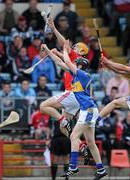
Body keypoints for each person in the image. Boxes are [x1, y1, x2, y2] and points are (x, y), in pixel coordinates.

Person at [42, 42, 107, 179]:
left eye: (75, 63)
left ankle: (73, 166)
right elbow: (60, 62)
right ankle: (101, 170)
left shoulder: (83, 74)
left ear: (79, 65)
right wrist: (48, 51)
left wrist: (65, 49)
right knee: (91, 142)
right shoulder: (77, 74)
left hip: (88, 110)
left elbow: (65, 60)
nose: (73, 64)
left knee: (73, 136)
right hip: (87, 110)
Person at [39, 18, 91, 164]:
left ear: (80, 51)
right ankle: (82, 146)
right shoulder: (75, 64)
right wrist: (51, 51)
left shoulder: (76, 58)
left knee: (44, 106)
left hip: (71, 94)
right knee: (64, 130)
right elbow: (61, 60)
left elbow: (64, 45)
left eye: (74, 48)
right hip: (75, 100)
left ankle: (63, 121)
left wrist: (54, 29)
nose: (71, 48)